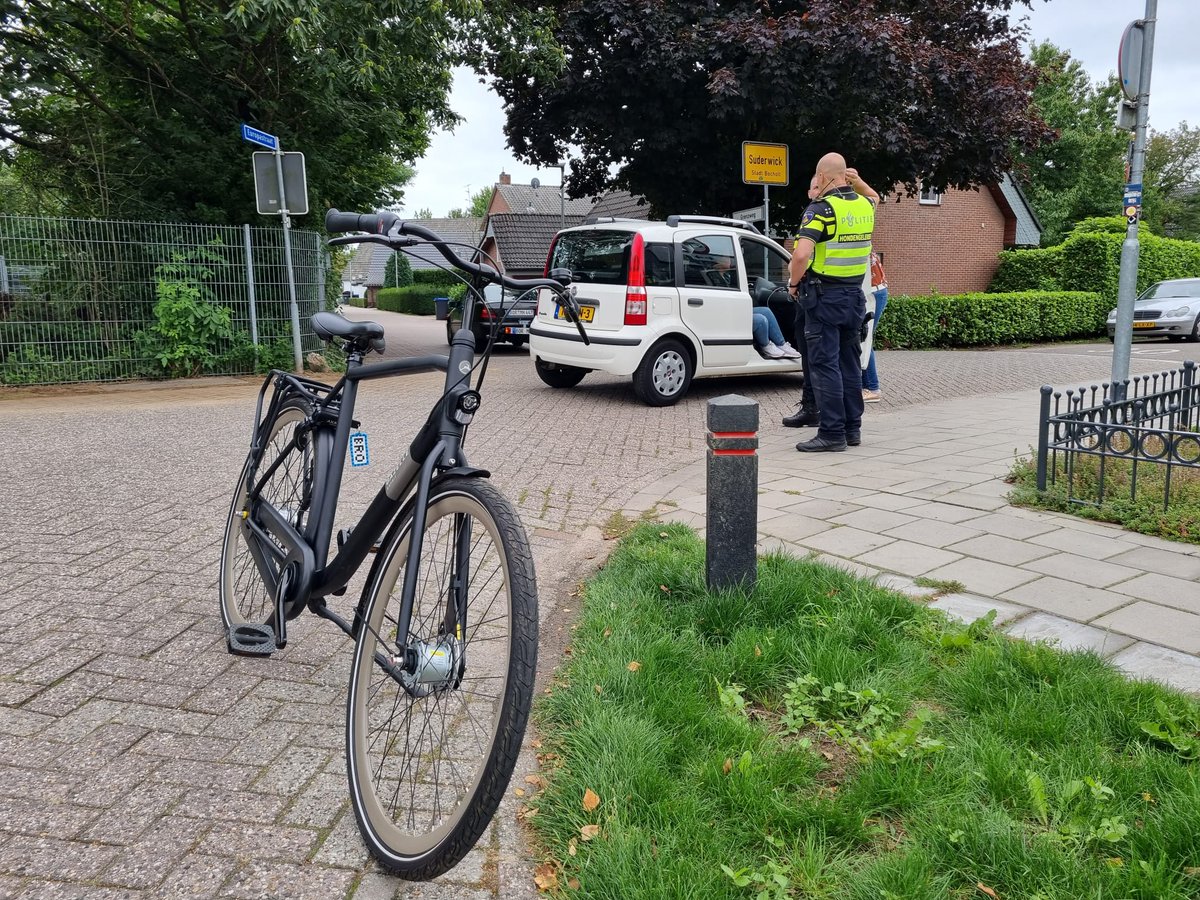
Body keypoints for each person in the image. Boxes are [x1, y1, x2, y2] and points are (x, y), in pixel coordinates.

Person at [787, 153, 879, 452]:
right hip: (854, 297)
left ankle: (831, 433)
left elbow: (801, 255)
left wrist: (793, 284)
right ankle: (852, 430)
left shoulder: (821, 209)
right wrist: (858, 181)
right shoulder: (865, 205)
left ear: (823, 177)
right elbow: (875, 196)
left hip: (824, 298)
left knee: (825, 365)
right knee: (849, 364)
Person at [781, 174, 824, 428]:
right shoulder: (822, 214)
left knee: (814, 357)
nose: (816, 191)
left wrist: (793, 285)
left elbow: (800, 257)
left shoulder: (818, 214)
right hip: (824, 296)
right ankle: (815, 408)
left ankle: (814, 409)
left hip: (814, 295)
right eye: (813, 188)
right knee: (812, 357)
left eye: (819, 186)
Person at [861, 251, 887, 403]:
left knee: (864, 341)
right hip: (874, 292)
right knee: (863, 340)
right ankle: (866, 386)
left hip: (871, 294)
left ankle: (872, 388)